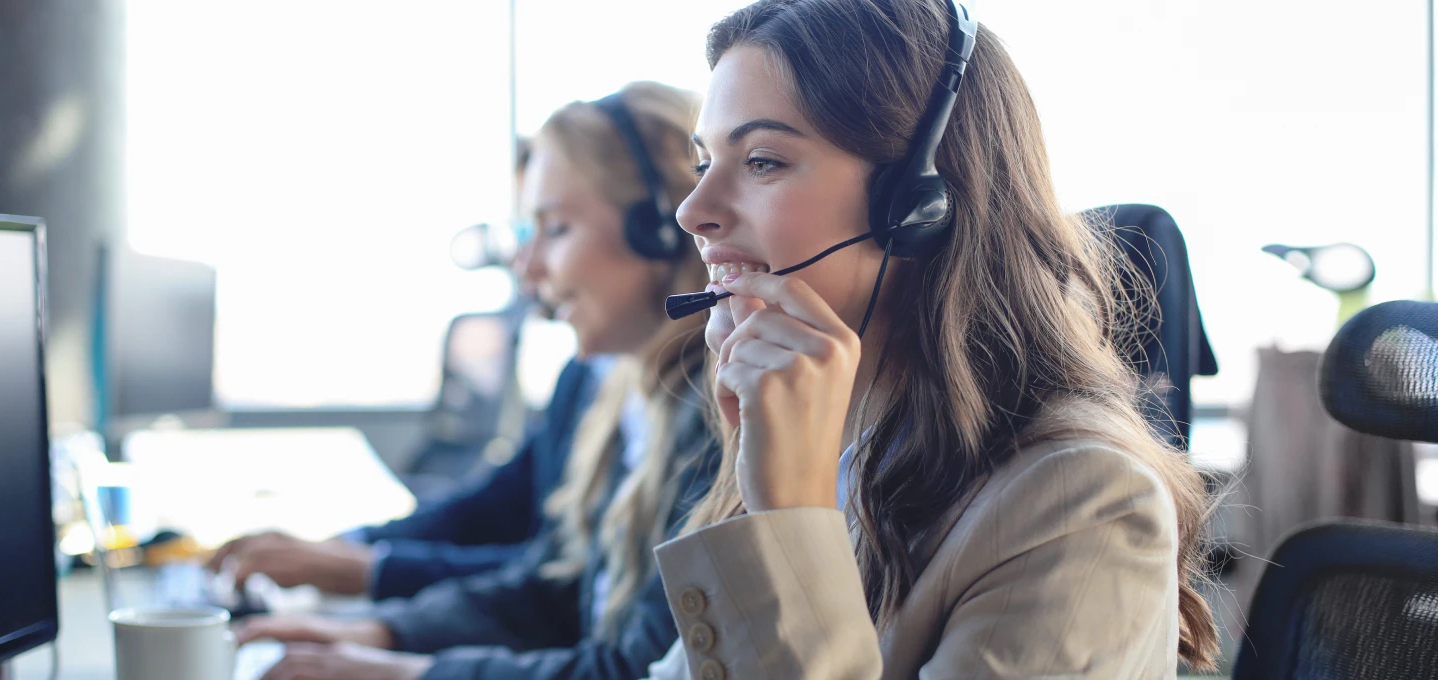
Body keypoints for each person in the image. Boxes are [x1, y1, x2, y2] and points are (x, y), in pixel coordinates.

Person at [641, 1, 1221, 678]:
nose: (693, 211)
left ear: (916, 207)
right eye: (705, 161)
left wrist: (789, 522)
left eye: (763, 161)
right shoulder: (838, 448)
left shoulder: (1083, 507)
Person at [237, 81, 722, 680]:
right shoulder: (617, 393)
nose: (527, 268)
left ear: (659, 227)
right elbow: (555, 587)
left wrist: (398, 666)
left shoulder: (715, 413)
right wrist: (380, 633)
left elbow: (628, 667)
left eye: (556, 228)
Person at [208, 138, 600, 603]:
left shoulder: (672, 401)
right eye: (522, 232)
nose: (524, 263)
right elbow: (491, 510)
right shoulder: (584, 376)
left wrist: (367, 575)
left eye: (554, 229)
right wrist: (343, 549)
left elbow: (559, 582)